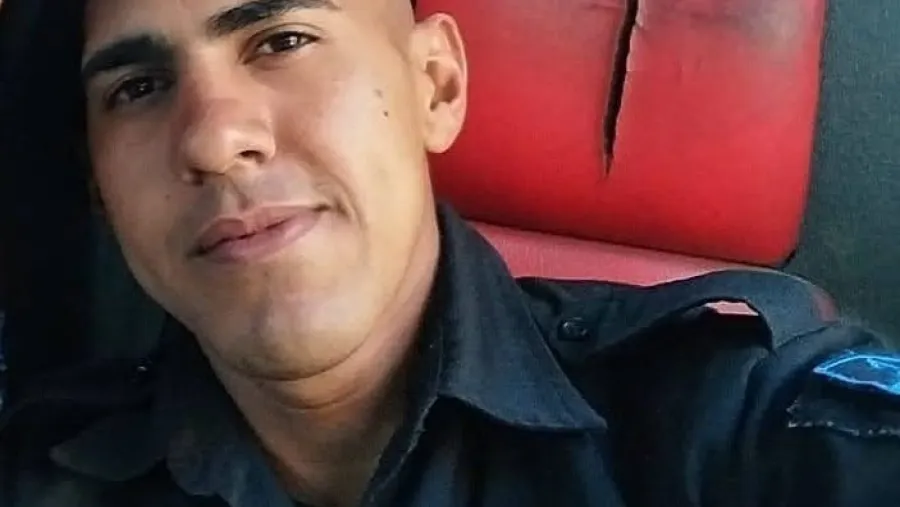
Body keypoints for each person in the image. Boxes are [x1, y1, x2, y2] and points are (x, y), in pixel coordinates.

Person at [2, 0, 900, 506]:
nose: (212, 138)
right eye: (138, 87)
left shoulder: (729, 416)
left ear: (436, 85)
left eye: (282, 40)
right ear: (99, 187)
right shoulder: (43, 468)